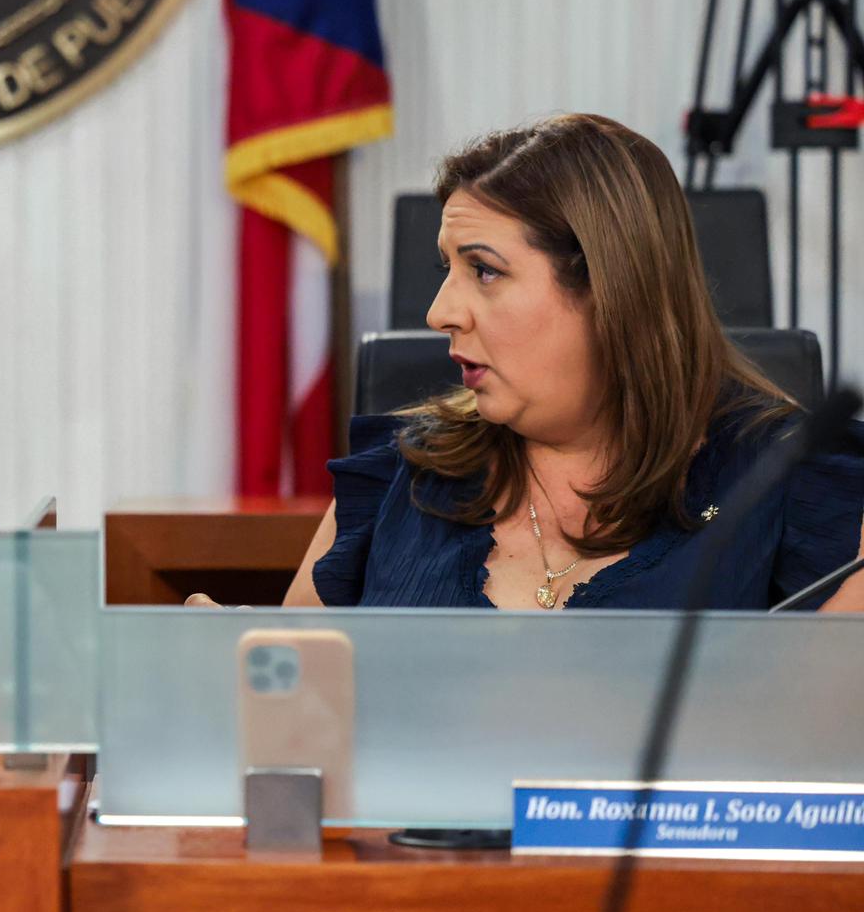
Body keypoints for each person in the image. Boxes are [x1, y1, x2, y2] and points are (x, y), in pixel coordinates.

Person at [279, 114, 864, 611]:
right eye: (446, 270)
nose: (440, 312)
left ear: (612, 291)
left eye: (485, 270)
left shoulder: (788, 483)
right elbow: (293, 713)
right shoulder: (403, 473)